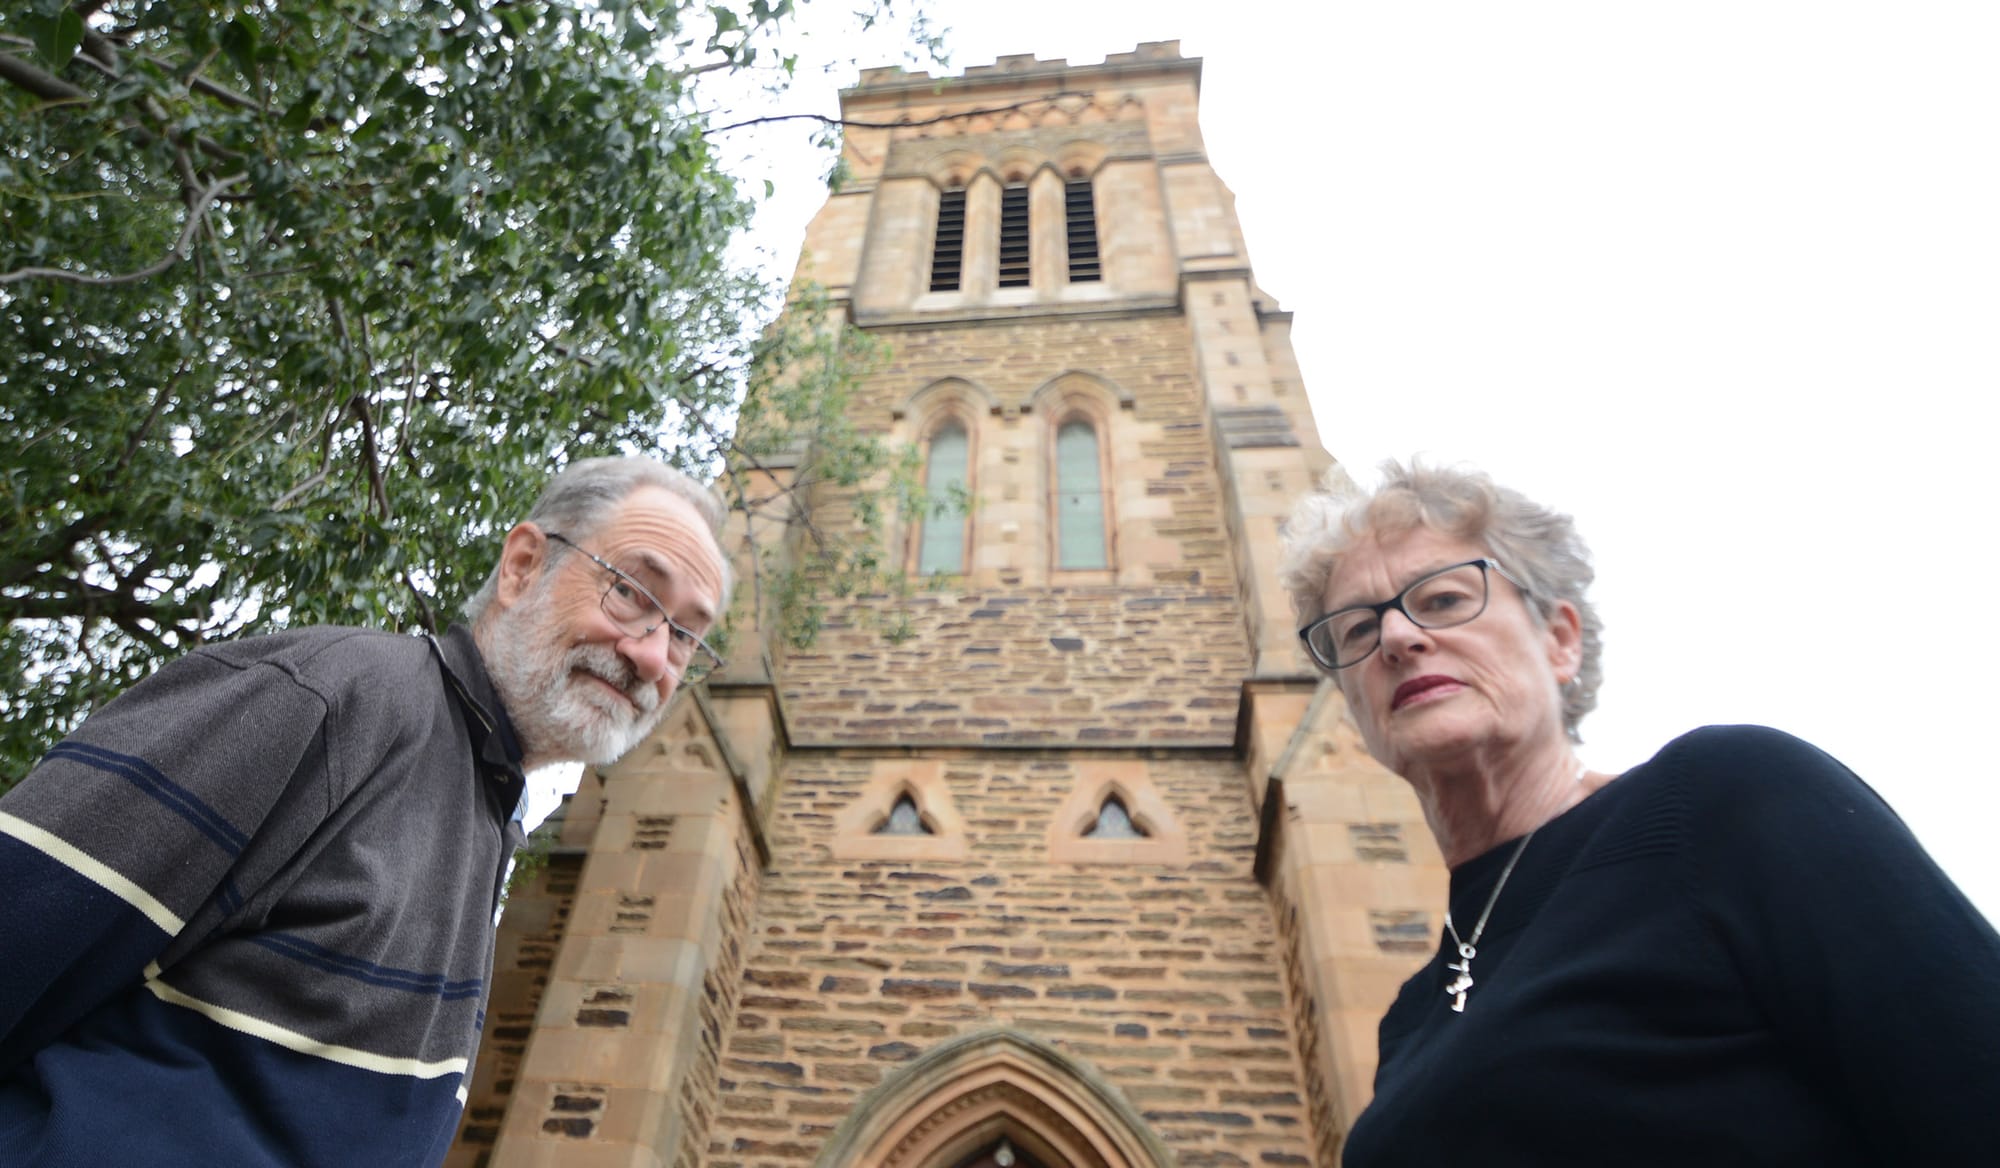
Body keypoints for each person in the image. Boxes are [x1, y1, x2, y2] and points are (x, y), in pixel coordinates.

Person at [0, 457, 730, 1166]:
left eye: (688, 635)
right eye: (633, 590)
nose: (653, 656)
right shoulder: (330, 698)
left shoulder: (489, 815)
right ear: (522, 567)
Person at [1279, 460, 2000, 1166]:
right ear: (1352, 707)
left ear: (1559, 639)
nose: (1399, 639)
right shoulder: (1412, 1017)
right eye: (1357, 632)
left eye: (1440, 599)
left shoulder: (1727, 802)